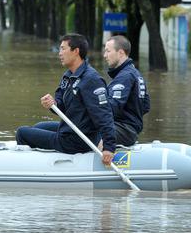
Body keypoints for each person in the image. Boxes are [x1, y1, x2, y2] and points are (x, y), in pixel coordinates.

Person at [15, 34, 116, 166]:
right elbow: (60, 106)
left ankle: (29, 167)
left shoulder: (92, 80)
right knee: (39, 126)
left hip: (77, 140)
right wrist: (52, 104)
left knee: (22, 132)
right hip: (71, 129)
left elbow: (104, 115)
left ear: (76, 51)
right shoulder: (68, 76)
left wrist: (109, 147)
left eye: (63, 49)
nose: (60, 53)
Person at [102, 35, 150, 146]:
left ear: (121, 53)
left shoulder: (125, 76)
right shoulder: (135, 73)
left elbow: (111, 108)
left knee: (79, 129)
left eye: (108, 51)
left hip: (122, 130)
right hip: (129, 130)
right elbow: (146, 106)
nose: (105, 55)